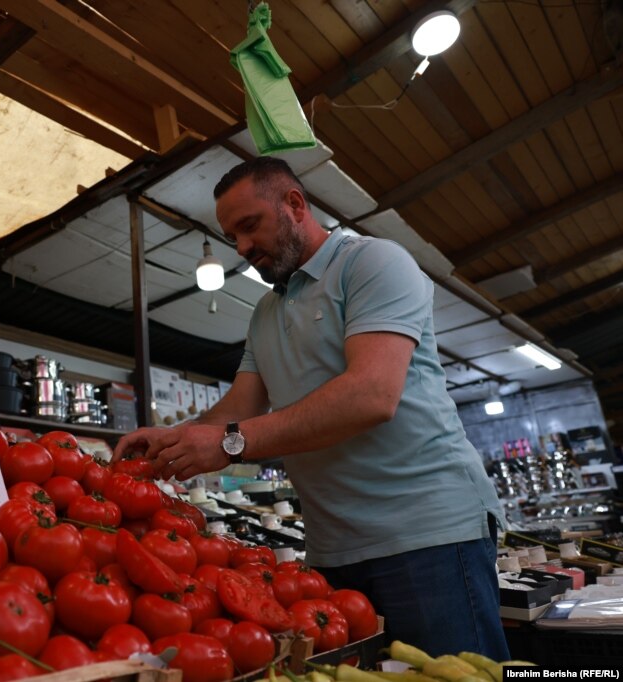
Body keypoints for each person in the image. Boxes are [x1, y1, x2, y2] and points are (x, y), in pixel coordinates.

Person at [111, 156, 510, 660]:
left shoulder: (372, 263)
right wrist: (173, 438)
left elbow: (370, 395)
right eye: (232, 236)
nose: (242, 248)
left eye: (249, 226)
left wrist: (231, 443)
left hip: (428, 536)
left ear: (295, 204)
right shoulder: (266, 313)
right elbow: (240, 405)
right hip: (332, 551)